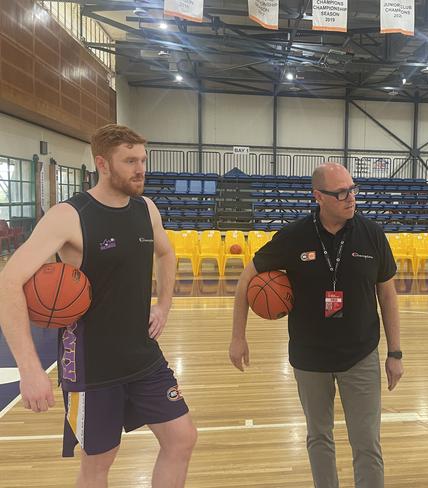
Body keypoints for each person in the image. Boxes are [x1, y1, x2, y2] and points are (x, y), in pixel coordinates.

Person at [0, 124, 197, 487]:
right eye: (130, 161)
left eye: (142, 160)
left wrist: (163, 305)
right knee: (99, 462)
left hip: (142, 354)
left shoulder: (146, 209)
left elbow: (166, 254)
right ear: (103, 164)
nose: (140, 169)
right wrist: (30, 368)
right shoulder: (69, 215)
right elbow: (9, 281)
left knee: (182, 438)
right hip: (91, 363)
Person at [229, 162, 403, 488]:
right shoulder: (294, 236)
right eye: (341, 193)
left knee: (367, 442)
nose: (350, 198)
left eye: (353, 189)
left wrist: (395, 353)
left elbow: (388, 295)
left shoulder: (372, 234)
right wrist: (238, 337)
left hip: (360, 354)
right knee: (319, 437)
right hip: (309, 358)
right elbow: (245, 279)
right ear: (318, 196)